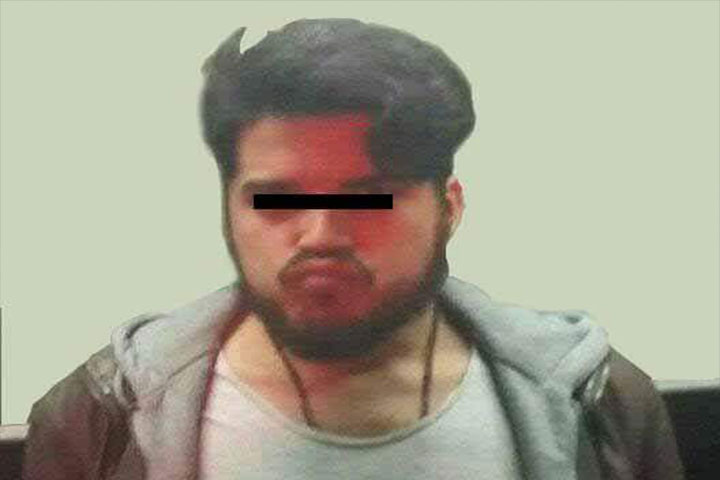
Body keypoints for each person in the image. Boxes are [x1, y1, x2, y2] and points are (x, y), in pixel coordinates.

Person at [22, 18, 685, 480]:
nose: (321, 235)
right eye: (276, 199)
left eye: (370, 197)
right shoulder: (100, 418)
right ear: (227, 208)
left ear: (449, 207)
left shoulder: (602, 406)